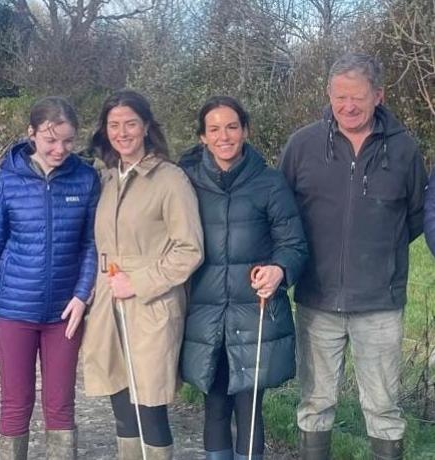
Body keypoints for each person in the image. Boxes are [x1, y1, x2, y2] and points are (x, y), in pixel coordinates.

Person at [279, 52, 427, 460]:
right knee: (315, 403)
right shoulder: (302, 145)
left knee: (383, 408)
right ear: (329, 94)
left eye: (358, 97)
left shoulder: (403, 151)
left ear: (378, 95)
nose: (348, 106)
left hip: (379, 303)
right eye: (340, 96)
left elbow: (416, 217)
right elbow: (282, 214)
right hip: (317, 298)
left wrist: (378, 255)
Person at [0, 96, 100, 460]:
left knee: (60, 403)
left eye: (68, 141)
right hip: (12, 311)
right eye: (50, 139)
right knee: (15, 401)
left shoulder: (86, 179)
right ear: (32, 134)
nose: (60, 149)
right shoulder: (6, 181)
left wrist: (82, 294)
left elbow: (92, 243)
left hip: (64, 313)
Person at [179, 96, 308, 460]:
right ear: (203, 137)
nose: (224, 136)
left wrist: (279, 269)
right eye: (214, 129)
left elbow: (294, 243)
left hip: (254, 313)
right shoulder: (186, 183)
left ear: (246, 131)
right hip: (205, 315)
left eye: (232, 127)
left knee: (249, 406)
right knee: (215, 403)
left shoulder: (270, 183)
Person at [82, 89, 203, 460]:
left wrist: (139, 282)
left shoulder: (170, 180)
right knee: (120, 400)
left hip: (151, 305)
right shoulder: (105, 179)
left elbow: (190, 249)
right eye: (114, 125)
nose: (122, 132)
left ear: (146, 126)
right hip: (108, 303)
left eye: (130, 123)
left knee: (149, 404)